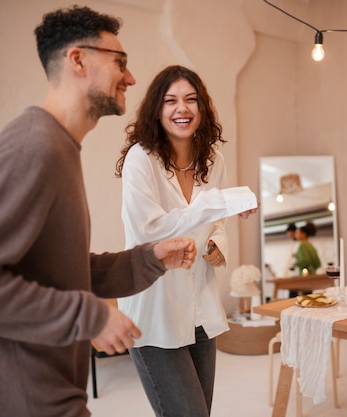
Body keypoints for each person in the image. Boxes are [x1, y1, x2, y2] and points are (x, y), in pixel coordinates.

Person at [0, 7, 198, 417]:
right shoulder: (33, 147)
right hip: (26, 398)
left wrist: (148, 258)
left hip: (53, 391)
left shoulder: (59, 148)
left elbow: (64, 271)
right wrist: (91, 315)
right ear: (78, 60)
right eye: (120, 62)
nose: (130, 78)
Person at [114, 65, 258, 417]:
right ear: (157, 109)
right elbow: (151, 231)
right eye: (171, 101)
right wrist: (219, 202)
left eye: (191, 100)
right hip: (154, 312)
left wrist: (217, 246)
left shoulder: (213, 160)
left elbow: (216, 224)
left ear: (202, 108)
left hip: (200, 307)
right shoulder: (141, 160)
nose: (183, 108)